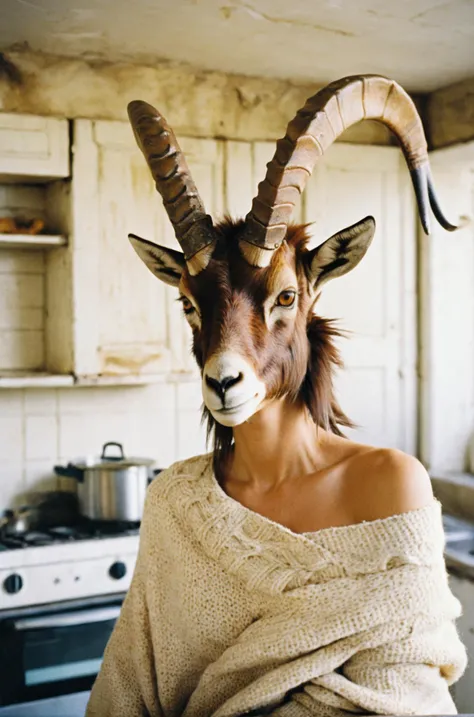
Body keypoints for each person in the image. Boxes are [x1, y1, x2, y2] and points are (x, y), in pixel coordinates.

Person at [86, 76, 467, 716]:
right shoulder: (177, 504)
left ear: (311, 293)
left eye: (280, 299)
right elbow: (133, 678)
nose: (227, 353)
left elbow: (408, 694)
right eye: (194, 307)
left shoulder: (390, 484)